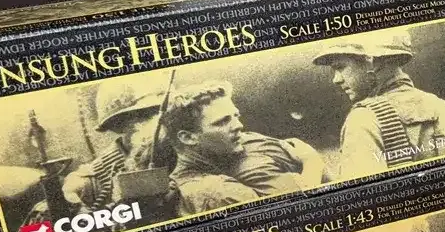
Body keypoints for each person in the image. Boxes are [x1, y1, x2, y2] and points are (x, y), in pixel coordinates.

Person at [313, 31, 445, 179]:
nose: (336, 79)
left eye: (340, 67)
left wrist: (314, 168)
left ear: (370, 63)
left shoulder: (363, 119)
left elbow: (366, 193)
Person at [164, 82, 325, 215]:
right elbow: (298, 215)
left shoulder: (234, 149)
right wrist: (312, 163)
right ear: (188, 138)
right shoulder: (216, 192)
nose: (239, 126)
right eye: (222, 122)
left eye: (236, 116)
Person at [63, 79, 167, 209]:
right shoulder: (87, 184)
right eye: (145, 115)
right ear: (117, 125)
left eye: (160, 113)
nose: (158, 122)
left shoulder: (181, 159)